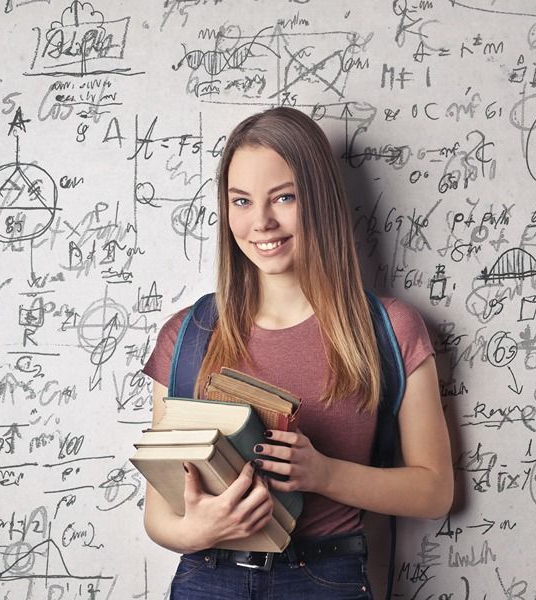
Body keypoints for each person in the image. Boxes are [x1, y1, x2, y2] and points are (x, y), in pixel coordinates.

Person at [139, 106, 454, 599]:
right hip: (206, 578)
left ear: (321, 200)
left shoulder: (389, 329)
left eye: (283, 197)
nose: (261, 222)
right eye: (241, 201)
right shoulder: (187, 335)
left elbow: (435, 491)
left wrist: (325, 474)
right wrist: (198, 530)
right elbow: (159, 516)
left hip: (326, 580)